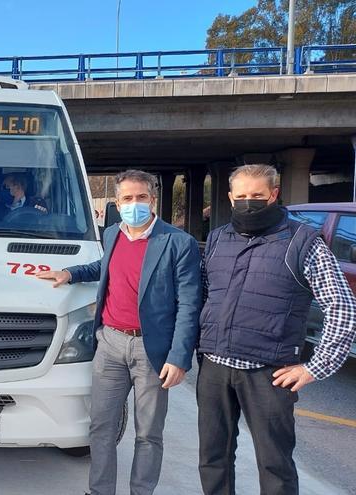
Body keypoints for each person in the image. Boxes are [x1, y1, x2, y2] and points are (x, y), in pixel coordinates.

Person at [37, 170, 201, 495]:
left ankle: (141, 491)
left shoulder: (178, 243)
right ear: (117, 202)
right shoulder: (113, 233)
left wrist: (180, 357)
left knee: (148, 433)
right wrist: (70, 273)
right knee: (100, 427)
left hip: (151, 350)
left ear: (153, 200)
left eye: (141, 197)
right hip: (110, 343)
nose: (134, 204)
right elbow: (104, 267)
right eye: (127, 198)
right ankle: (100, 491)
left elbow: (189, 304)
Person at [197, 164, 356, 495]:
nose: (248, 202)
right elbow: (200, 295)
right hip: (214, 367)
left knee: (275, 466)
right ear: (230, 197)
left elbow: (341, 307)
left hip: (269, 374)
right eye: (241, 196)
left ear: (274, 194)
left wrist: (315, 367)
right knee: (213, 459)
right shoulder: (216, 239)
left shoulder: (303, 242)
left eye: (257, 195)